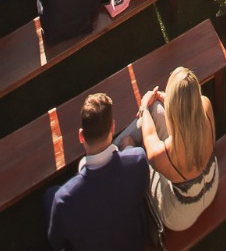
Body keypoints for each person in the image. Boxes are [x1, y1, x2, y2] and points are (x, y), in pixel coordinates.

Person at [44, 91, 151, 251]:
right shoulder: (138, 159)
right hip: (134, 243)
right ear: (112, 126)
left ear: (81, 136)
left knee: (48, 196)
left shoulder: (63, 200)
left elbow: (57, 242)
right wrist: (128, 148)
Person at [126, 66, 218, 232]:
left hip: (180, 217)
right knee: (158, 111)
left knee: (129, 147)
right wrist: (167, 99)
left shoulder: (161, 154)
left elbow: (150, 137)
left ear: (174, 106)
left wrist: (144, 107)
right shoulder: (205, 105)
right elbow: (189, 108)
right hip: (212, 185)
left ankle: (112, 146)